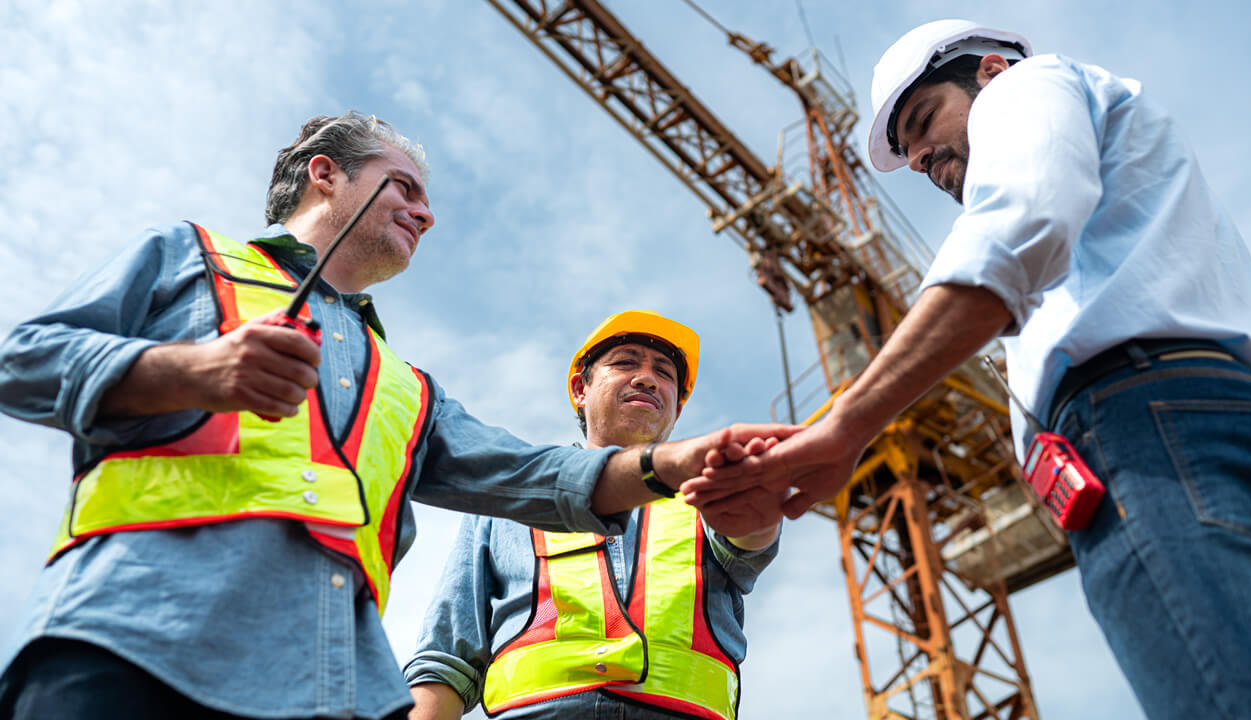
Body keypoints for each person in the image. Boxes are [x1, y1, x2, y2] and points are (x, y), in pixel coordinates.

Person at [0, 112, 793, 720]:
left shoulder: (409, 389)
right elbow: (20, 361)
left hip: (328, 683)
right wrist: (190, 369)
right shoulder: (189, 258)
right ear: (326, 176)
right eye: (405, 187)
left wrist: (671, 465)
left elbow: (531, 473)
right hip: (135, 640)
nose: (426, 212)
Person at [683, 19, 1251, 718]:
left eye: (923, 119)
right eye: (908, 153)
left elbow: (1015, 229)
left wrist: (847, 426)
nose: (921, 158)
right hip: (1217, 421)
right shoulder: (1125, 168)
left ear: (990, 70)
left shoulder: (1027, 86)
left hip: (1146, 434)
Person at [404, 310, 780, 720]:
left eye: (665, 373)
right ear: (580, 389)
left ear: (677, 409)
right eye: (626, 363)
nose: (648, 378)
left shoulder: (702, 492)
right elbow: (447, 655)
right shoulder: (511, 496)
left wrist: (760, 507)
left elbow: (748, 543)